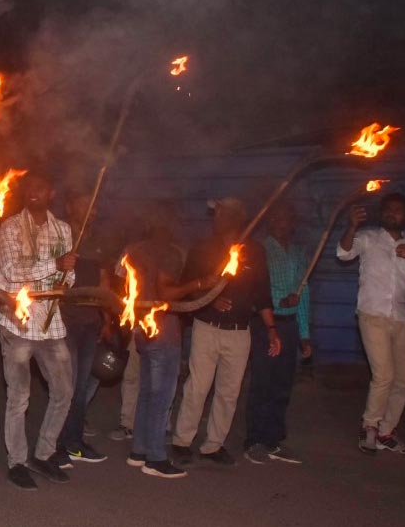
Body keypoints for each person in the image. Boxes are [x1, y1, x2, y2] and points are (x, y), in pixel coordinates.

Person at [171, 197, 280, 468]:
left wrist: (271, 329)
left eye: (222, 214)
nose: (216, 219)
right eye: (215, 214)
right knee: (197, 387)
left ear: (236, 218)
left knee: (229, 392)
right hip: (207, 328)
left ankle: (213, 445)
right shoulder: (202, 248)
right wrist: (209, 297)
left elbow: (263, 293)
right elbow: (185, 287)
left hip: (239, 332)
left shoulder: (254, 251)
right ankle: (181, 442)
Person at [0, 171, 75, 489]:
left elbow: (69, 280)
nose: (33, 192)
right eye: (29, 187)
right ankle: (17, 461)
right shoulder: (11, 226)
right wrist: (54, 267)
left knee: (64, 392)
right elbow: (13, 272)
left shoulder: (63, 230)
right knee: (19, 396)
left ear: (51, 193)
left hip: (51, 324)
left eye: (40, 186)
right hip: (18, 322)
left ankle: (43, 453)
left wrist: (65, 275)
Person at [337, 192, 405, 454]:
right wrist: (352, 226)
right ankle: (369, 428)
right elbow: (343, 253)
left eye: (398, 210)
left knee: (404, 379)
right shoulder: (368, 238)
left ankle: (387, 432)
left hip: (401, 318)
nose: (392, 213)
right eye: (387, 209)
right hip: (373, 315)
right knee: (384, 376)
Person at [117, 206, 195, 478]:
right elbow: (166, 291)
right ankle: (156, 458)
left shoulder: (135, 250)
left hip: (141, 327)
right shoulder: (170, 253)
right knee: (161, 396)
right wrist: (199, 284)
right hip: (163, 328)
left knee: (147, 392)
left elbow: (124, 287)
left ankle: (139, 451)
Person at [244, 202, 311, 465]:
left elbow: (304, 294)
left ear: (293, 224)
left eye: (287, 219)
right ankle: (254, 440)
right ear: (270, 223)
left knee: (282, 384)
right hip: (265, 324)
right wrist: (277, 301)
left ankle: (273, 440)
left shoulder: (298, 253)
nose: (283, 224)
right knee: (262, 382)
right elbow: (253, 290)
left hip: (290, 325)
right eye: (278, 219)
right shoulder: (259, 250)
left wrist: (305, 334)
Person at [57, 190, 113, 466]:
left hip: (90, 323)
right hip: (65, 321)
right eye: (83, 205)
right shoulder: (60, 235)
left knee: (80, 385)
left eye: (93, 208)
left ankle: (73, 441)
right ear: (69, 207)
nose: (90, 212)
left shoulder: (99, 241)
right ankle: (59, 443)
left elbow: (104, 283)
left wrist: (107, 319)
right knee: (67, 385)